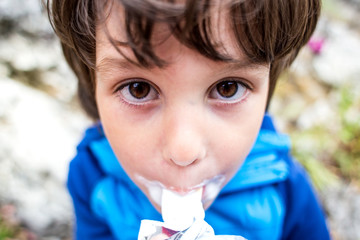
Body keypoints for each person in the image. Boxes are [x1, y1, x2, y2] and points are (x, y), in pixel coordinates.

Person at [46, 0, 331, 239]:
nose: (184, 152)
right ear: (91, 85)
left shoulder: (285, 192)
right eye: (139, 89)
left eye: (227, 88)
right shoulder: (92, 176)